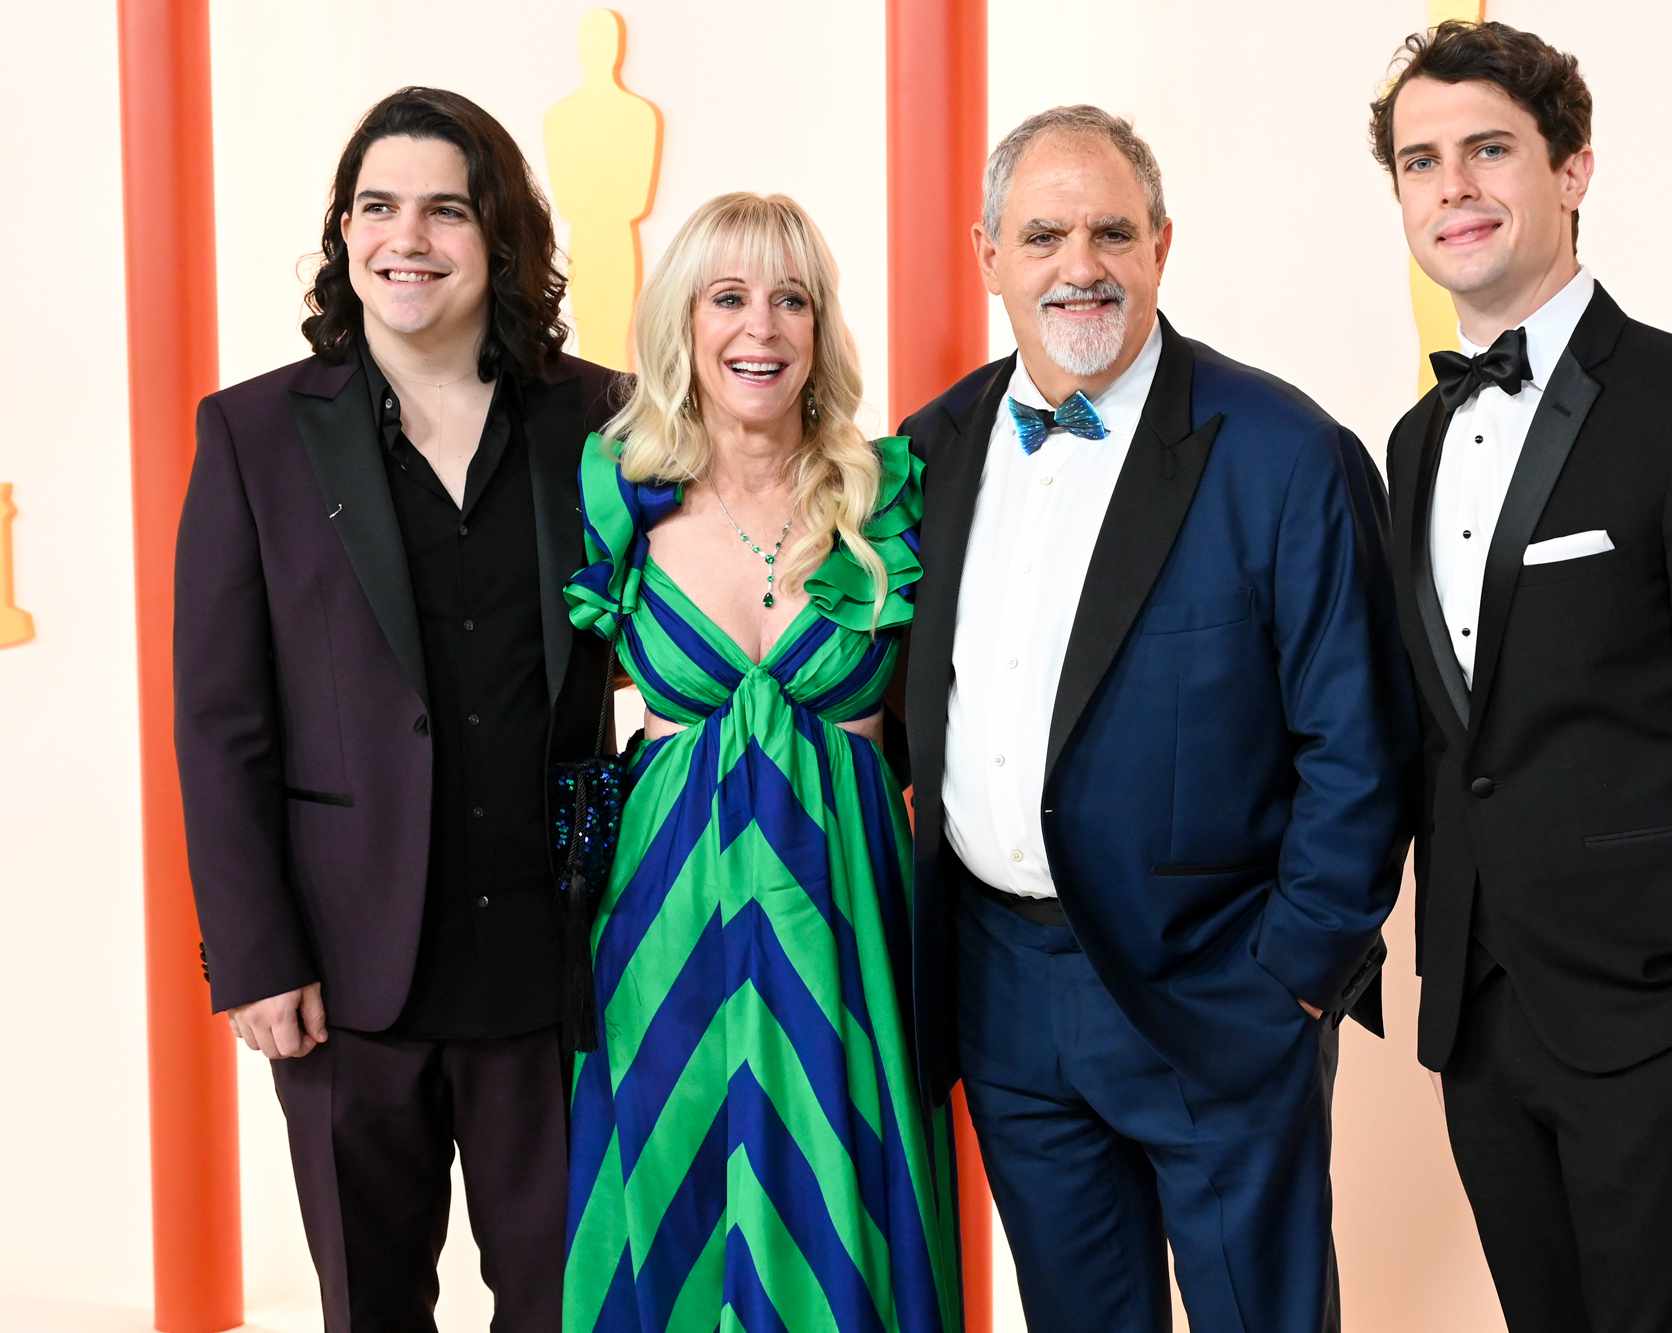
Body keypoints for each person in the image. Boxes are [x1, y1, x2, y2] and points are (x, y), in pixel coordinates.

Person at [896, 106, 1417, 1332]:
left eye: (1109, 232)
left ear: (1162, 248)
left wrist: (1292, 976)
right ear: (987, 255)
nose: (1078, 265)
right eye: (1042, 236)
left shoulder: (1285, 453)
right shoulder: (930, 451)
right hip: (1004, 992)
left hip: (1216, 988)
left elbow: (1360, 741)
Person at [1370, 21, 1672, 1331]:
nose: (1452, 187)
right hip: (1481, 1018)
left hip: (1663, 1019)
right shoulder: (1413, 442)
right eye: (1420, 161)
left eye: (1487, 150)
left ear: (1572, 170)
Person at [173, 87, 625, 1329]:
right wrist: (255, 957)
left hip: (557, 965)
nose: (405, 237)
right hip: (340, 973)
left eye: (443, 209)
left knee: (565, 1301)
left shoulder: (602, 422)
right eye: (377, 207)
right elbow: (219, 720)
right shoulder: (255, 433)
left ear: (500, 237)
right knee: (370, 1306)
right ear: (344, 231)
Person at [561, 192, 959, 1332]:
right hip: (659, 933)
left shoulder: (888, 492)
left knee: (852, 1202)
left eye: (792, 299)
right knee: (671, 1205)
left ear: (822, 328)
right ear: (681, 322)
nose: (762, 327)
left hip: (847, 927)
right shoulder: (613, 497)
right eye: (728, 297)